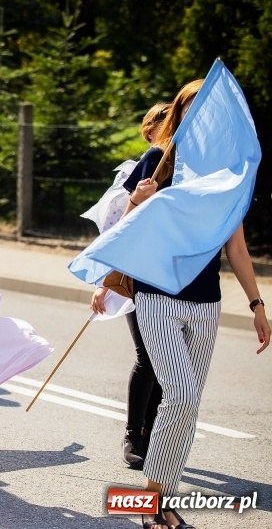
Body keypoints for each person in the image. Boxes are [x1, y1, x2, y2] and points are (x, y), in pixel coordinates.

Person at [121, 80, 270, 529]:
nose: (202, 116)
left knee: (188, 406)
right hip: (156, 294)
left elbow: (236, 248)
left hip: (206, 302)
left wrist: (257, 305)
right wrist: (137, 201)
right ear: (180, 114)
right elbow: (124, 230)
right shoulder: (158, 160)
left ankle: (162, 501)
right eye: (192, 108)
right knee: (180, 395)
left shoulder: (227, 173)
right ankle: (151, 502)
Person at [90, 102, 169, 470]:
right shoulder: (142, 168)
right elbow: (115, 229)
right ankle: (134, 434)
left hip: (170, 274)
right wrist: (105, 280)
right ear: (149, 131)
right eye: (164, 122)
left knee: (163, 359)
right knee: (147, 356)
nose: (172, 129)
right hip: (136, 273)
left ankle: (153, 433)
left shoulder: (185, 168)